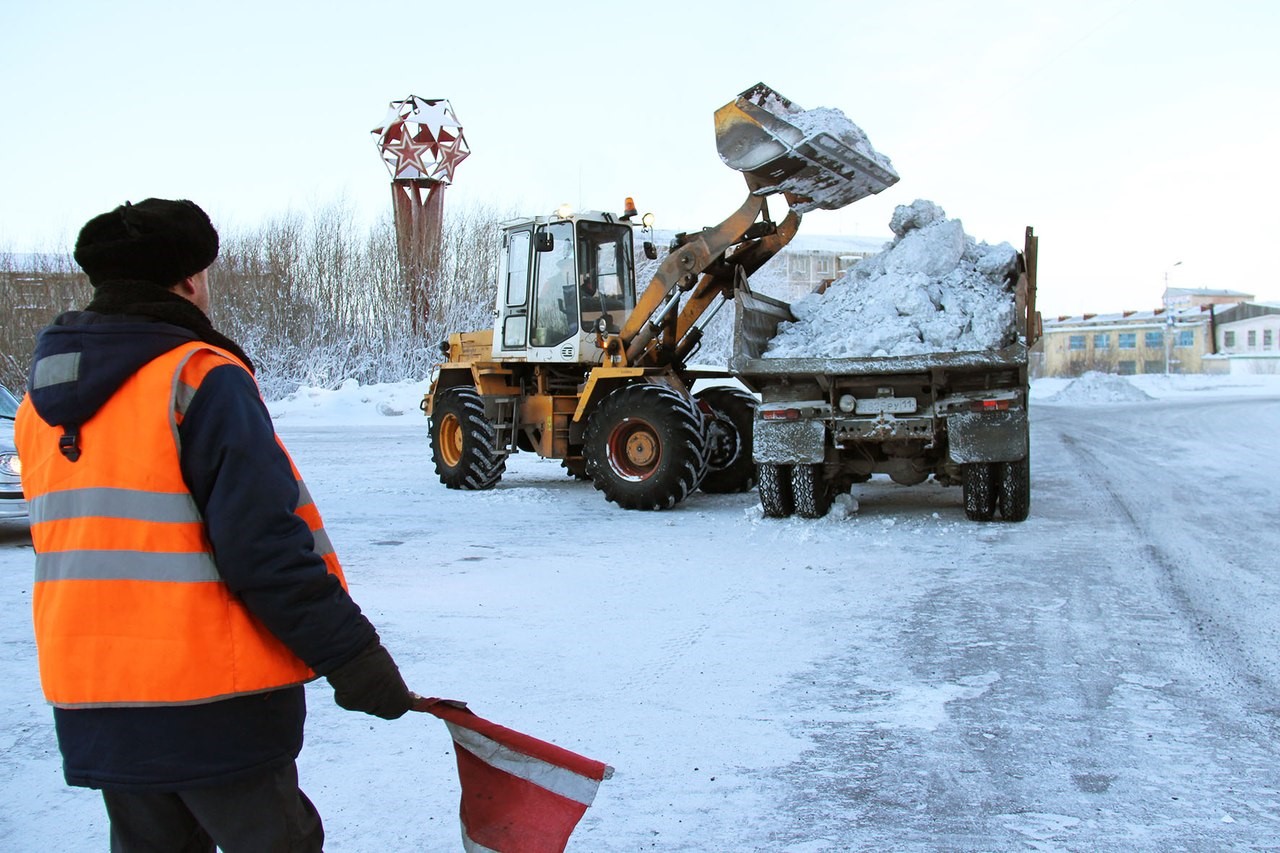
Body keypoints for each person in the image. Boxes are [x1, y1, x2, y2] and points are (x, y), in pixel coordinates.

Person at [14, 198, 417, 851]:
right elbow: (263, 549)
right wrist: (352, 655)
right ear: (190, 279)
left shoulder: (39, 406)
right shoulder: (199, 376)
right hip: (213, 704)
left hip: (98, 702)